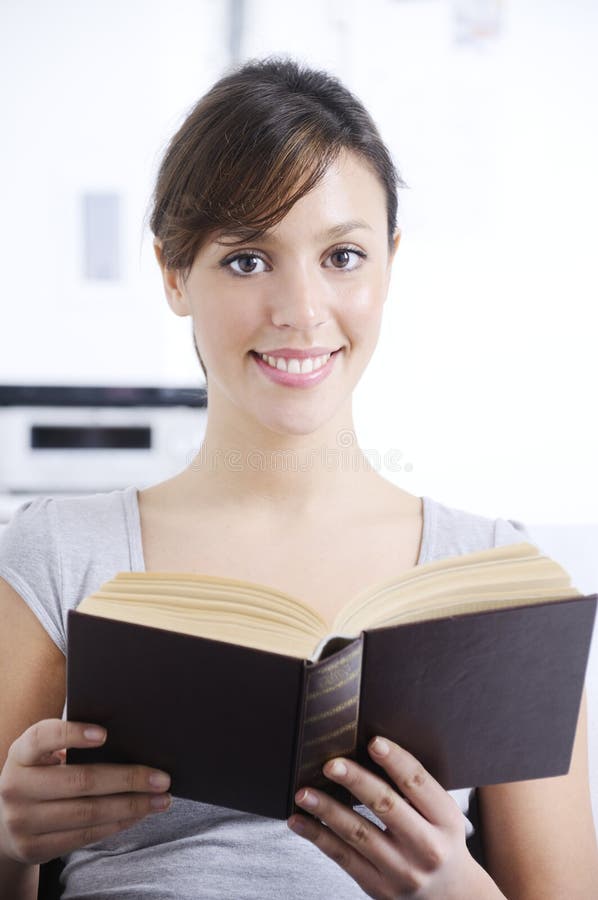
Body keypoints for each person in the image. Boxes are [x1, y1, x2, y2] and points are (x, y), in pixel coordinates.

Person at [0, 56, 596, 900]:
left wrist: (452, 887)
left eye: (343, 255)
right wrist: (10, 844)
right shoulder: (56, 556)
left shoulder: (498, 583)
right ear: (174, 272)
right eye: (248, 260)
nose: (302, 310)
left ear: (390, 262)